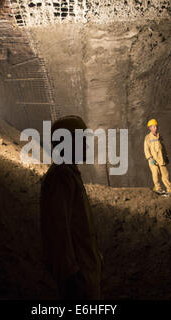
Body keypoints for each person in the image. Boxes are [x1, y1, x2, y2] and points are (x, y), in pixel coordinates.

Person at [40, 115, 103, 299]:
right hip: (78, 279)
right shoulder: (61, 177)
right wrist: (70, 274)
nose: (87, 145)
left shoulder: (69, 173)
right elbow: (57, 230)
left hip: (86, 271)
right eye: (83, 140)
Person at [144, 118, 171, 195]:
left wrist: (166, 156)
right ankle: (158, 188)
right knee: (155, 174)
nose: (156, 128)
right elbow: (146, 149)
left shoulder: (159, 136)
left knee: (165, 174)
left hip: (161, 158)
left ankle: (170, 189)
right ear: (150, 128)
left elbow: (163, 147)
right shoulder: (147, 138)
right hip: (153, 159)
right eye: (154, 126)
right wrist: (150, 158)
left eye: (156, 126)